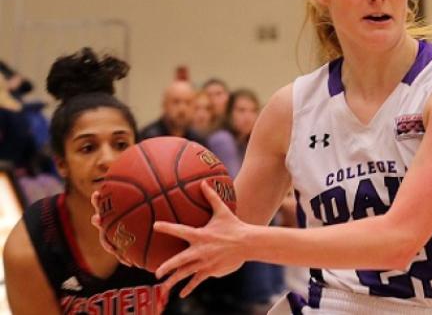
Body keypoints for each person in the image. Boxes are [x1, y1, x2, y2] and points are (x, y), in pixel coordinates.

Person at [96, 0, 432, 313]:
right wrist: (138, 236)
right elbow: (221, 251)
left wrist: (246, 242)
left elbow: (400, 239)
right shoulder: (290, 109)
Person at [2, 48, 173, 314]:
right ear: (61, 163)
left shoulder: (169, 218)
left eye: (120, 143)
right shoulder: (30, 245)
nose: (108, 159)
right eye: (87, 147)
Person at [208, 89, 285, 313]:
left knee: (274, 217)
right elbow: (236, 192)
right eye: (241, 110)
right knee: (260, 221)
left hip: (235, 217)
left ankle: (274, 291)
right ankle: (261, 296)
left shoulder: (246, 142)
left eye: (253, 110)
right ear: (229, 113)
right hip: (221, 216)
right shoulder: (222, 139)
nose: (248, 116)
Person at [140, 80, 205, 146]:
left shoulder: (198, 141)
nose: (182, 108)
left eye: (188, 103)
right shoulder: (148, 138)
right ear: (164, 105)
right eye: (176, 102)